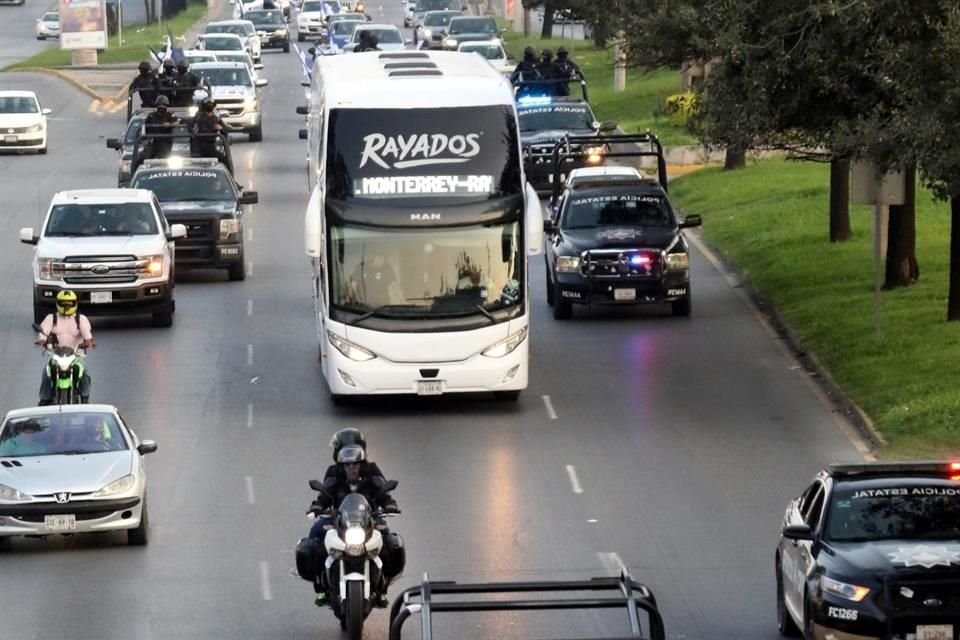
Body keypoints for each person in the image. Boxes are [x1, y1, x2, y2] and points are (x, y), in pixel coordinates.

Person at [307, 444, 402, 608]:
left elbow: (384, 495)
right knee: (315, 535)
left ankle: (383, 588)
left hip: (369, 521)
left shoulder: (371, 479)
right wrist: (317, 507)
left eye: (355, 464)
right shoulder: (335, 480)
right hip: (338, 521)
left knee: (391, 542)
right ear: (342, 466)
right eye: (347, 464)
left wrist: (390, 505)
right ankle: (320, 587)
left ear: (361, 464)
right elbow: (324, 497)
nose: (352, 468)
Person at [37, 290, 94, 405]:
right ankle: (44, 398)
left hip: (76, 355)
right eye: (63, 303)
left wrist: (88, 341)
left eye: (69, 303)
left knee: (85, 373)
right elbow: (44, 331)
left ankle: (85, 398)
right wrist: (42, 340)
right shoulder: (51, 318)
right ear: (58, 304)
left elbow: (86, 333)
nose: (66, 306)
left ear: (75, 304)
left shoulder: (81, 319)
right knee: (46, 372)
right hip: (56, 355)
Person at [190, 98, 236, 173]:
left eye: (211, 105)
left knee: (225, 160)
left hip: (211, 146)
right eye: (207, 105)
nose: (210, 106)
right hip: (199, 147)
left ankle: (231, 181)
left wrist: (221, 128)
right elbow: (193, 129)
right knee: (224, 159)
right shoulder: (198, 117)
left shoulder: (216, 118)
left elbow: (225, 130)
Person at [143, 95, 181, 161]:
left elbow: (177, 123)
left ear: (166, 106)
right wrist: (146, 140)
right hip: (154, 142)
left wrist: (170, 124)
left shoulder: (170, 115)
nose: (161, 107)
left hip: (166, 143)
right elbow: (146, 129)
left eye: (163, 105)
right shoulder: (151, 116)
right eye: (159, 105)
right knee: (142, 158)